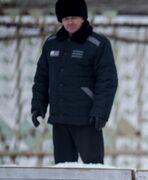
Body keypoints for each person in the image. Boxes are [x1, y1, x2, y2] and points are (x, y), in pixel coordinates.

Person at [31, 0, 118, 164]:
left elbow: (108, 81)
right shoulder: (51, 43)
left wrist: (101, 112)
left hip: (87, 120)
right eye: (65, 18)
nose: (69, 22)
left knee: (94, 170)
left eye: (73, 17)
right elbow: (41, 79)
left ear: (83, 18)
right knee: (63, 173)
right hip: (60, 120)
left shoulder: (98, 44)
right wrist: (38, 107)